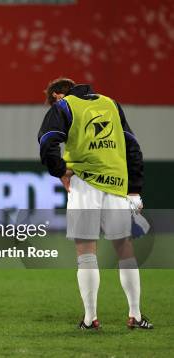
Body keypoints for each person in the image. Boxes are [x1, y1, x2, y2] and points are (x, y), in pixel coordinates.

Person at [38, 77, 153, 330]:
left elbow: (47, 141)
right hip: (116, 184)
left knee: (86, 253)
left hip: (84, 183)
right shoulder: (111, 104)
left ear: (57, 95)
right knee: (125, 250)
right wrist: (134, 190)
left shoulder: (64, 106)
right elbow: (132, 146)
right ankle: (135, 314)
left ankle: (90, 318)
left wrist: (60, 169)